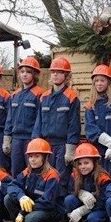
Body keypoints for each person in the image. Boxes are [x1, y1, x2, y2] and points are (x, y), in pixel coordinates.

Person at [31, 57, 80, 193]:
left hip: (62, 145)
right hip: (46, 145)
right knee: (44, 176)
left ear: (66, 76)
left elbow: (73, 124)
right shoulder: (44, 97)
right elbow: (38, 122)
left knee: (61, 178)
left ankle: (61, 210)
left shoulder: (71, 96)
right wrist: (36, 143)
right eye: (53, 72)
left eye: (59, 72)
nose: (55, 75)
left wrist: (70, 149)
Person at [4, 138, 63, 222]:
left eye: (37, 156)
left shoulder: (52, 175)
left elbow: (47, 202)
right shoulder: (27, 171)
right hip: (34, 207)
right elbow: (12, 186)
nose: (32, 159)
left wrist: (22, 212)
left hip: (50, 210)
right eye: (30, 156)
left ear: (45, 158)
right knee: (8, 198)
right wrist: (21, 197)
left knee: (30, 219)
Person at [64, 143, 111, 222]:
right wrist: (81, 193)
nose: (82, 166)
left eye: (86, 163)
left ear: (94, 162)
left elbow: (103, 202)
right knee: (69, 200)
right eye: (80, 163)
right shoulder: (75, 175)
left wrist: (81, 211)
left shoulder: (103, 178)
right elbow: (70, 191)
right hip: (87, 207)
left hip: (100, 210)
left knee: (93, 219)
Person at [3, 57, 44, 176]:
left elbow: (39, 120)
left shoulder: (39, 94)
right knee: (16, 171)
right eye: (22, 72)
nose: (25, 75)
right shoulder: (14, 95)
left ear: (34, 75)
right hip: (16, 139)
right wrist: (7, 138)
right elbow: (9, 118)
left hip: (30, 139)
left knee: (33, 171)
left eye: (28, 72)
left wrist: (35, 140)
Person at [84, 64, 111, 177]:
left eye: (102, 80)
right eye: (96, 81)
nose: (99, 83)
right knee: (97, 179)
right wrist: (108, 141)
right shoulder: (90, 105)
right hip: (97, 150)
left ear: (109, 83)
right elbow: (90, 129)